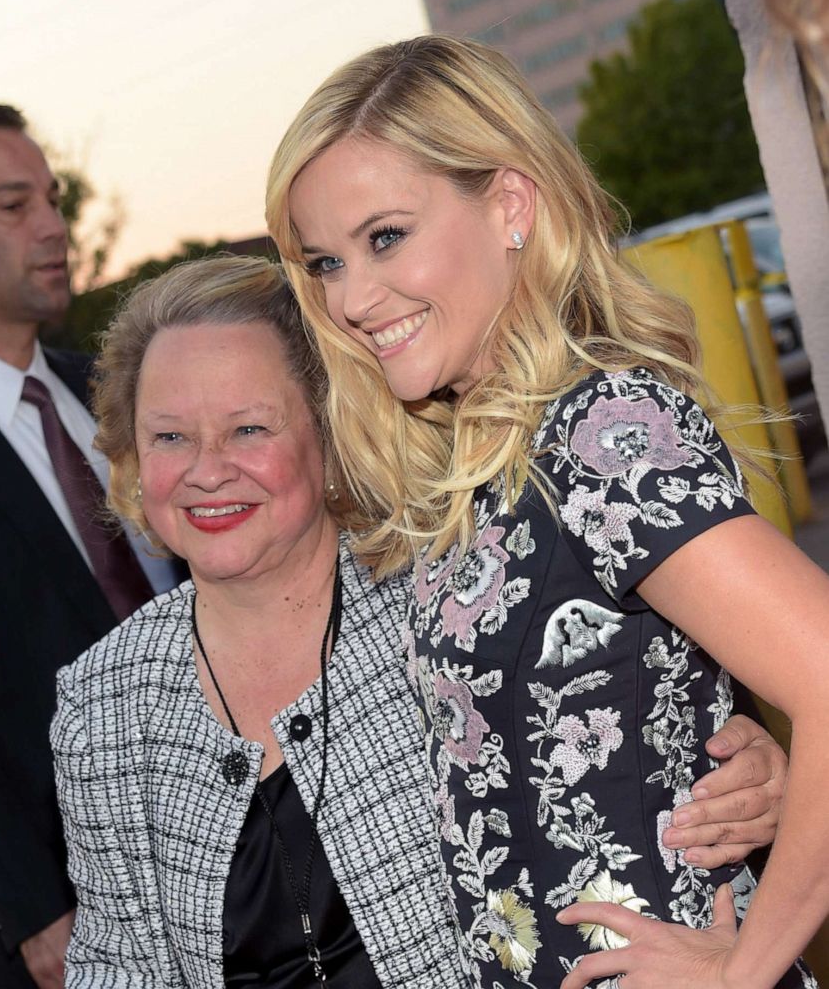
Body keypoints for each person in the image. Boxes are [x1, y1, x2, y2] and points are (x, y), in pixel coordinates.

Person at [53, 253, 792, 988]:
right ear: (130, 460)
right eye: (170, 437)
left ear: (331, 435)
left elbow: (634, 733)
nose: (207, 470)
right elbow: (114, 968)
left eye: (250, 429)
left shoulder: (461, 603)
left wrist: (743, 771)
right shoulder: (100, 703)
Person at [265, 34, 829, 989]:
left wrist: (746, 970)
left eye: (385, 237)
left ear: (512, 206)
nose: (353, 298)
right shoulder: (478, 458)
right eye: (323, 262)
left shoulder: (600, 428)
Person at [0, 104, 178, 989]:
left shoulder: (107, 394)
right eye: (13, 205)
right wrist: (36, 913)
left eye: (53, 201)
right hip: (76, 920)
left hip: (252, 856)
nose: (53, 228)